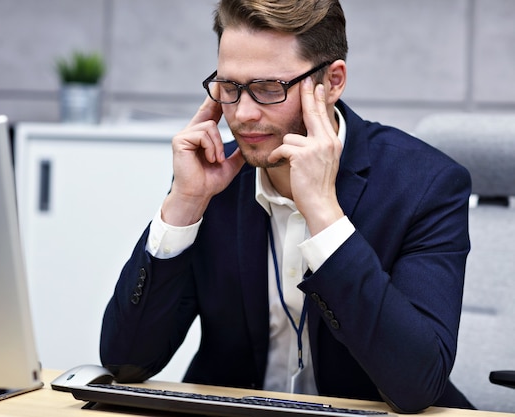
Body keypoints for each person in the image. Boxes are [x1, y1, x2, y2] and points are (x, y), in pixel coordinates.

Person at [100, 0, 474, 413]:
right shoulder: (211, 180)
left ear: (332, 82)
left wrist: (325, 216)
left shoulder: (425, 186)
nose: (241, 115)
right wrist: (185, 206)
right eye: (229, 88)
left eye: (267, 89)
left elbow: (417, 385)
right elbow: (127, 363)